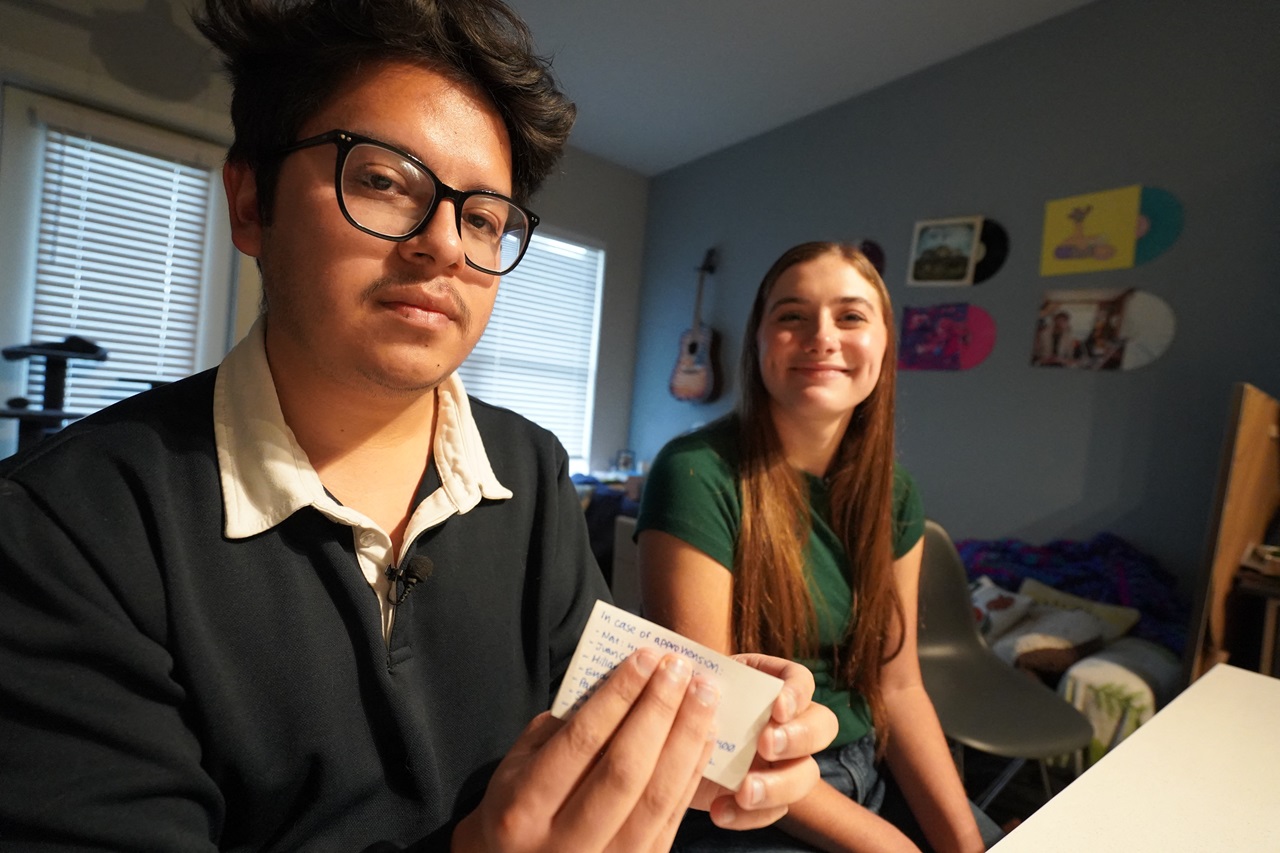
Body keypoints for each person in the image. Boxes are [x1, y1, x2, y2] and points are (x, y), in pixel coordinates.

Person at [0, 2, 838, 849]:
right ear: (252, 201)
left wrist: (716, 732)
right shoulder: (65, 526)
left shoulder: (529, 468)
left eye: (482, 218)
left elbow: (581, 708)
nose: (443, 245)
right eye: (381, 180)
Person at [637, 242, 1003, 852]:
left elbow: (899, 686)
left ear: (885, 346)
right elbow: (717, 730)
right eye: (792, 316)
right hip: (747, 791)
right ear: (758, 341)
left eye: (851, 316)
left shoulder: (896, 491)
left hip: (872, 762)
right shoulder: (696, 472)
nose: (821, 337)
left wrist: (965, 844)